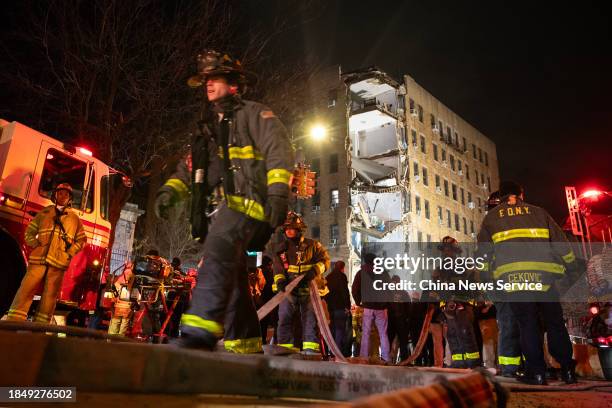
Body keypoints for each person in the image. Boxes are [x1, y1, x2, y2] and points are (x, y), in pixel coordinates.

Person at [155, 50, 294, 353]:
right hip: (221, 212)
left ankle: (199, 333)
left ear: (233, 84)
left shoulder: (256, 115)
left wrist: (278, 194)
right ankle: (246, 342)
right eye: (205, 79)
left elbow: (278, 152)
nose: (207, 84)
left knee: (215, 257)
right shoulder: (209, 129)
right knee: (230, 273)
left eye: (214, 78)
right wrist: (171, 191)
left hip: (249, 205)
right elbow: (191, 168)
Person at [477, 181, 579, 385]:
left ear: (502, 196)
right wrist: (571, 267)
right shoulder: (539, 212)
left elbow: (483, 255)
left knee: (528, 325)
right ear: (521, 194)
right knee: (554, 324)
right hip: (545, 279)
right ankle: (567, 369)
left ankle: (537, 373)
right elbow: (561, 243)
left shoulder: (492, 217)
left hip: (515, 281)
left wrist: (487, 280)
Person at [7, 183, 86, 323]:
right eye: (60, 193)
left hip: (58, 262)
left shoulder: (74, 219)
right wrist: (35, 244)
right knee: (26, 289)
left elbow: (81, 241)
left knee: (50, 296)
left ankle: (41, 325)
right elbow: (29, 232)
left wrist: (69, 253)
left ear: (70, 199)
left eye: (66, 195)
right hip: (39, 258)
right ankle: (14, 320)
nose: (63, 196)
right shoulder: (44, 213)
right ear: (55, 195)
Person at [273, 212, 330, 355]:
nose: (289, 231)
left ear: (299, 229)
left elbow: (325, 261)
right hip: (288, 291)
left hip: (309, 290)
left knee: (310, 320)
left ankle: (310, 350)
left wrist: (314, 271)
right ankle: (285, 349)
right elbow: (278, 268)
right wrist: (280, 282)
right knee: (284, 319)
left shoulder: (313, 245)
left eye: (292, 228)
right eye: (286, 228)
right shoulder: (281, 249)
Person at [435, 236, 482, 369]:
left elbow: (474, 282)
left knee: (465, 331)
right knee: (452, 334)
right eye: (444, 250)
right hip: (448, 307)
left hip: (463, 304)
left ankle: (473, 362)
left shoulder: (465, 266)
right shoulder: (440, 270)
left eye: (449, 249)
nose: (445, 252)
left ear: (456, 251)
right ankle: (459, 362)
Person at [351, 253, 391, 363]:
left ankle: (364, 357)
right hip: (381, 307)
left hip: (368, 306)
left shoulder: (361, 273)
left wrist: (359, 302)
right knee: (383, 333)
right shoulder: (383, 273)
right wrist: (386, 304)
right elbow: (390, 289)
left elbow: (355, 289)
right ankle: (386, 357)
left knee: (366, 333)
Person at [325, 261, 352, 357]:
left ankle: (332, 351)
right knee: (340, 330)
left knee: (332, 330)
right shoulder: (342, 276)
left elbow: (325, 294)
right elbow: (345, 292)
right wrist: (347, 306)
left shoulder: (328, 277)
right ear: (342, 268)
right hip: (340, 308)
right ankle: (338, 352)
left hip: (330, 309)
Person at [258, 256, 278, 345]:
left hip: (264, 302)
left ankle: (262, 340)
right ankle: (263, 340)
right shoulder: (267, 273)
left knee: (263, 324)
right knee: (264, 324)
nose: (271, 267)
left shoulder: (261, 272)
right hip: (266, 302)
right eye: (269, 265)